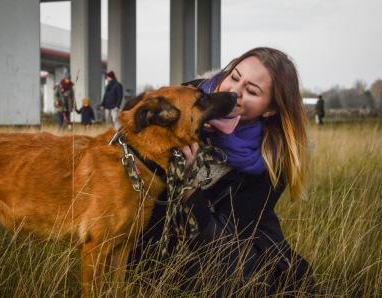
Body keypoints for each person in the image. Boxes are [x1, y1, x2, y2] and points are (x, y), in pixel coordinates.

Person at [132, 47, 315, 296]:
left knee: (227, 273)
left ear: (270, 109)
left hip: (220, 251)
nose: (233, 92)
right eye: (234, 77)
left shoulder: (270, 163)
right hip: (148, 242)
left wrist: (190, 187)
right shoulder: (185, 100)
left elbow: (219, 245)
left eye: (251, 91)